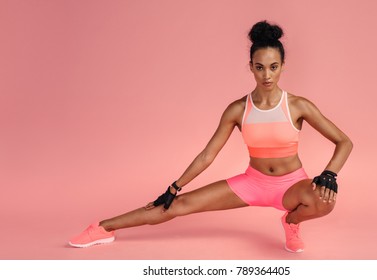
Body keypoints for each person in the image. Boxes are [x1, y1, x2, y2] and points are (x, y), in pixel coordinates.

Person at [69, 20, 353, 253]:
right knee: (175, 207)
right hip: (252, 183)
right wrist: (174, 187)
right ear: (251, 66)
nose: (267, 75)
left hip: (291, 184)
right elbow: (207, 155)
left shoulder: (298, 106)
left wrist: (330, 173)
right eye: (260, 67)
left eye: (274, 66)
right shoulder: (237, 109)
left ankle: (291, 221)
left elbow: (344, 141)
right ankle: (103, 227)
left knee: (325, 200)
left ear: (282, 66)